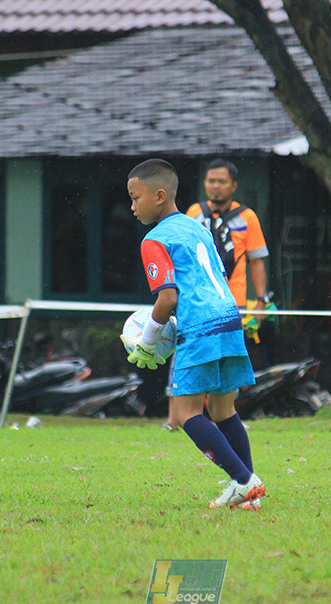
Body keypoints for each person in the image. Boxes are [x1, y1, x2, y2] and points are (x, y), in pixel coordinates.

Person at [124, 158, 265, 510]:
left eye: (135, 197)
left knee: (186, 413)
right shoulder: (197, 227)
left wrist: (148, 339)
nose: (131, 206)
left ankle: (245, 481)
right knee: (223, 409)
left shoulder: (153, 240)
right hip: (229, 317)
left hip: (199, 326)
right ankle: (247, 495)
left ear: (158, 196)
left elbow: (168, 297)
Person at [161, 158, 271, 430]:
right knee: (183, 353)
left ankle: (225, 416)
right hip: (195, 302)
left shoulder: (247, 217)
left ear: (234, 185)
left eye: (222, 181)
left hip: (232, 303)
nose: (215, 187)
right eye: (211, 181)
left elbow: (257, 261)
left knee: (228, 359)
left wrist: (260, 301)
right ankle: (174, 419)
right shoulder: (194, 212)